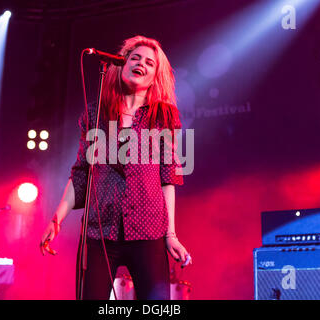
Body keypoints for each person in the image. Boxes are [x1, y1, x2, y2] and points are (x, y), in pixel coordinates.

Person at [40, 35, 192, 300]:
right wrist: (57, 219)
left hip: (149, 231)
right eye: (134, 58)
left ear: (155, 75)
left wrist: (171, 235)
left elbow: (169, 178)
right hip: (100, 232)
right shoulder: (95, 114)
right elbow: (81, 172)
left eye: (149, 62)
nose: (141, 64)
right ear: (120, 65)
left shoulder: (163, 116)